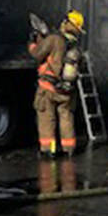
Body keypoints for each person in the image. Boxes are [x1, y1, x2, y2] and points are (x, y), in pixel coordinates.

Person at [28, 10, 85, 156]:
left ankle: (48, 150)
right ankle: (69, 149)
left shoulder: (54, 39)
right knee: (66, 118)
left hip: (49, 88)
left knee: (47, 118)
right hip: (67, 91)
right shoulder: (76, 46)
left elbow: (37, 55)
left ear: (66, 23)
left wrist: (33, 42)